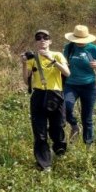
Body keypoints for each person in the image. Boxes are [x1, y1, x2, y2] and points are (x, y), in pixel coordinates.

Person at [21, 29, 70, 171]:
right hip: (39, 95)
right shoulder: (32, 58)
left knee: (58, 127)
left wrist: (51, 59)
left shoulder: (57, 55)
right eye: (39, 38)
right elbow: (26, 81)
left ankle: (59, 151)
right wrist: (24, 64)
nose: (42, 40)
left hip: (55, 94)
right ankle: (45, 164)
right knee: (39, 132)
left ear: (50, 41)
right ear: (36, 42)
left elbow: (67, 73)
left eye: (45, 37)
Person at [62, 24, 96, 145]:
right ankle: (74, 126)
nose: (80, 43)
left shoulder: (93, 49)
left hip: (89, 86)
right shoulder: (68, 48)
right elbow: (63, 65)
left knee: (87, 118)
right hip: (71, 85)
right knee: (66, 107)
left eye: (82, 40)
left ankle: (88, 145)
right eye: (78, 40)